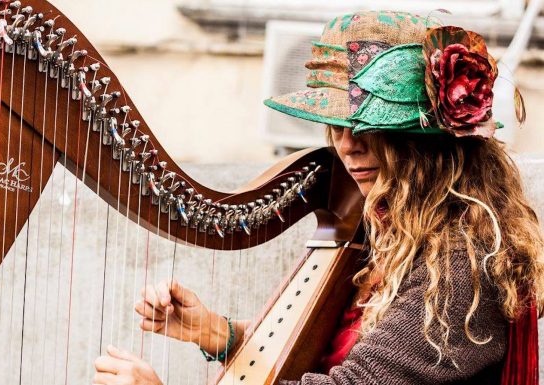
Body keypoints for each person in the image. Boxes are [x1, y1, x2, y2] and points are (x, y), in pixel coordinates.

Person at [92, 10, 544, 385]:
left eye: (368, 126)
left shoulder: (462, 261)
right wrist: (217, 332)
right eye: (337, 126)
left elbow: (357, 380)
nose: (347, 146)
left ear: (423, 143)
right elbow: (352, 346)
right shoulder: (399, 228)